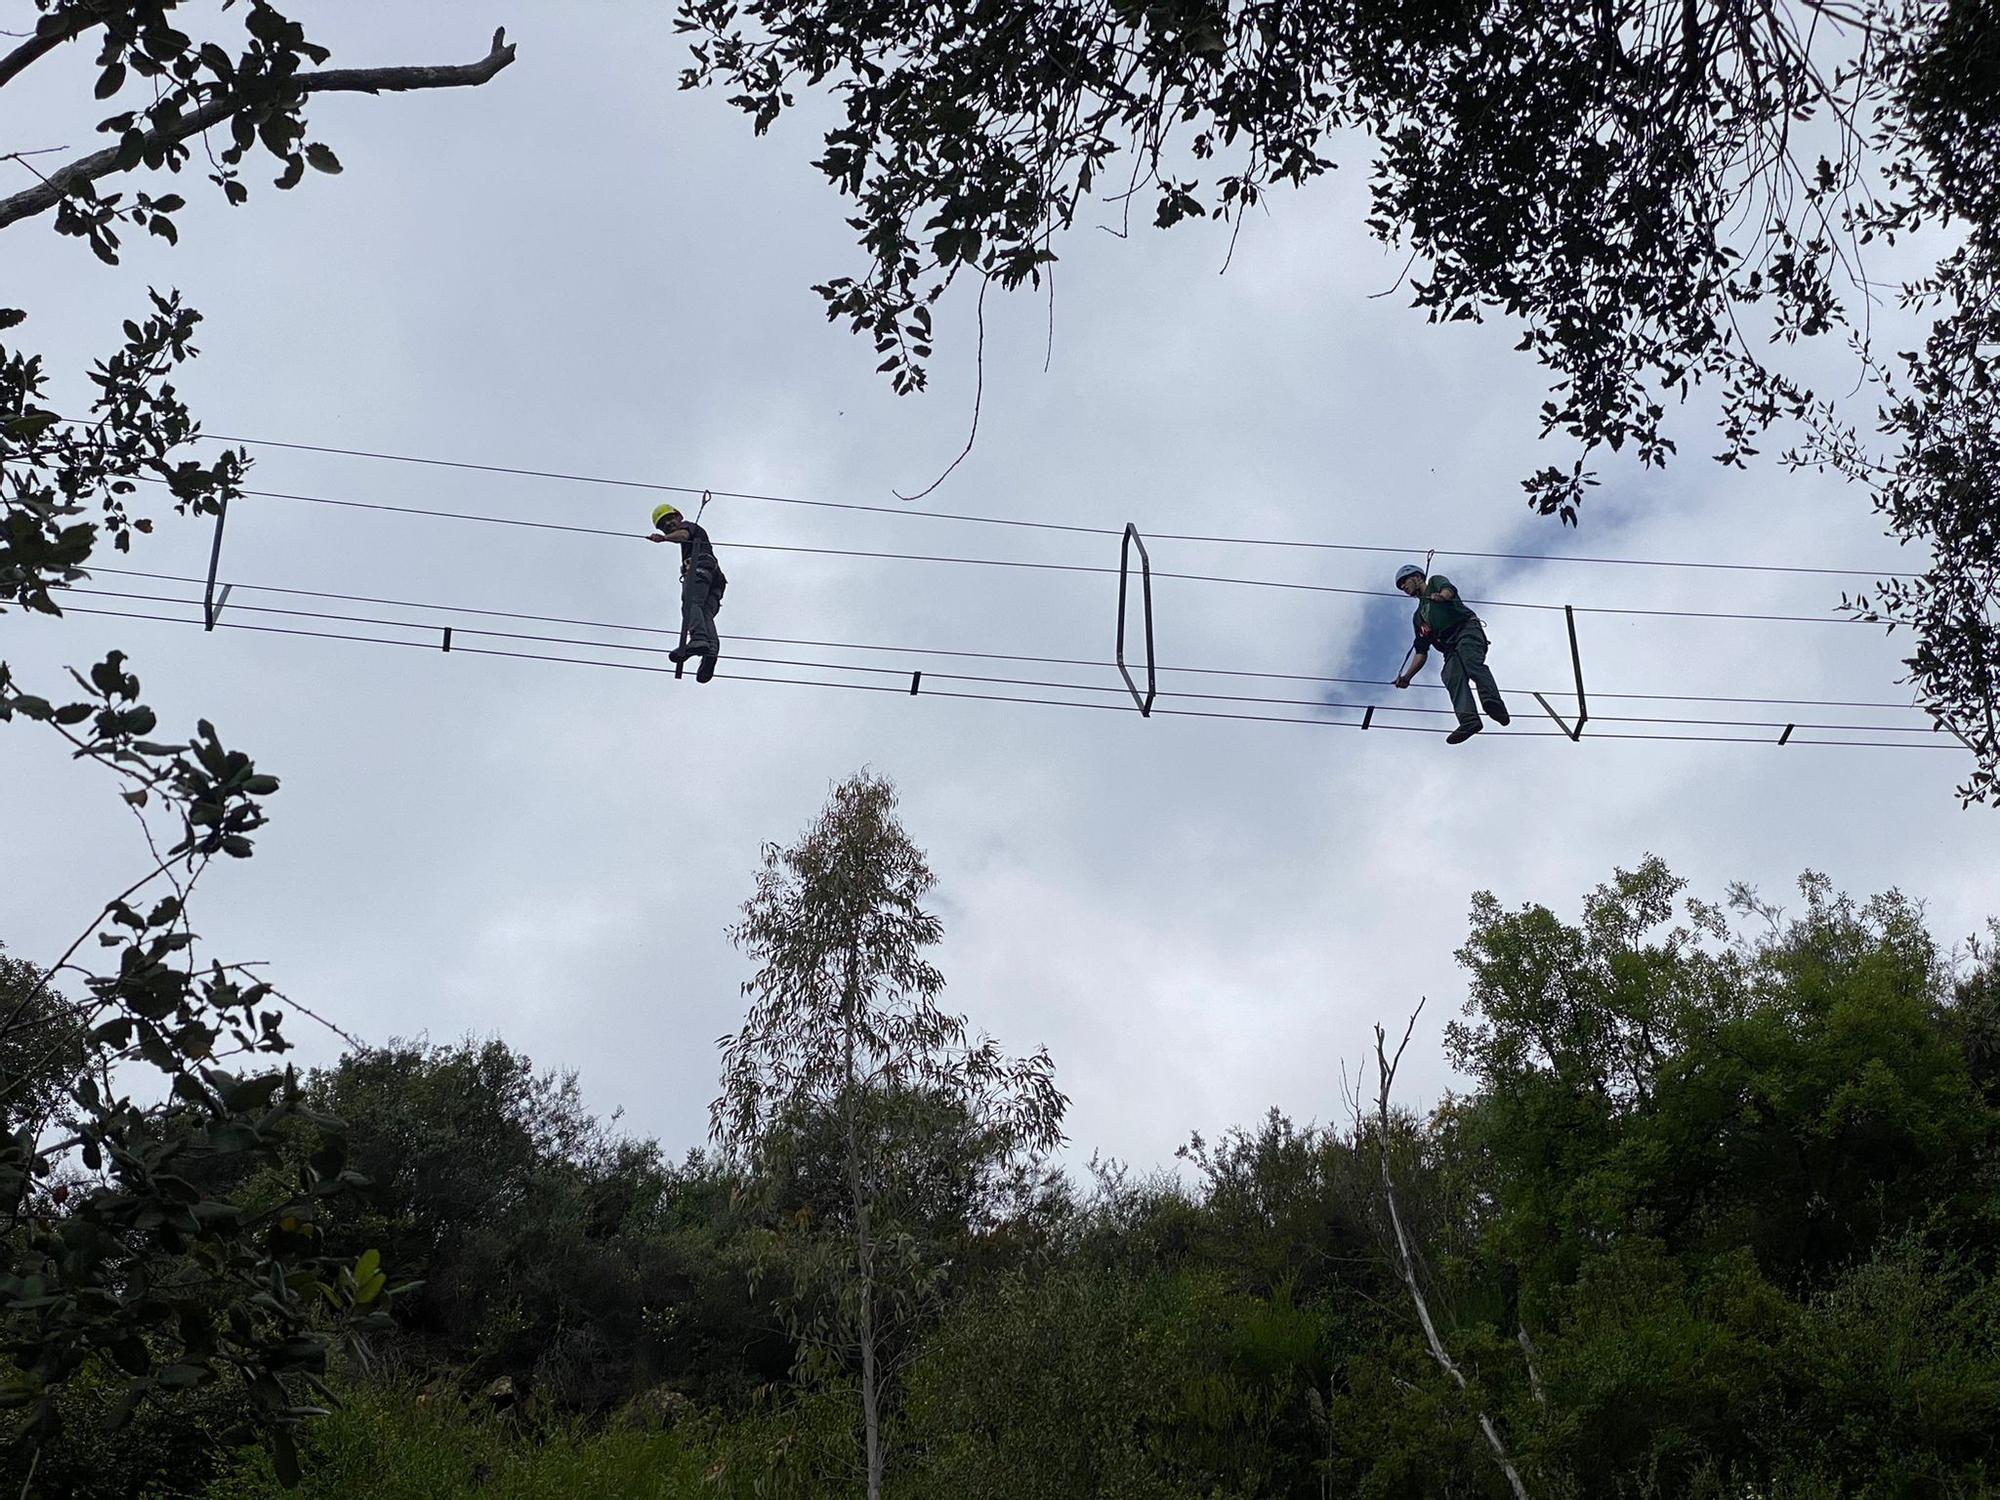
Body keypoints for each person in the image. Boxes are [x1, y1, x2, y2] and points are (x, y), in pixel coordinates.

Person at [1392, 563, 1510, 743]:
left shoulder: (1434, 583)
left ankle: (1493, 703)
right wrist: (1408, 677)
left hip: (1466, 630)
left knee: (1471, 661)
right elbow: (1421, 651)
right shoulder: (1419, 617)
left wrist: (1442, 597)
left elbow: (1448, 589)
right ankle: (1469, 721)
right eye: (1401, 587)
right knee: (1450, 675)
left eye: (1405, 582)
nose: (1404, 588)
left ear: (1417, 577)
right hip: (1449, 647)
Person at [649, 502, 727, 682]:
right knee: (705, 614)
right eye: (663, 525)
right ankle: (710, 651)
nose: (668, 525)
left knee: (691, 603)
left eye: (669, 519)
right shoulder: (691, 532)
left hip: (701, 569)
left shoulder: (688, 527)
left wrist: (663, 538)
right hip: (716, 580)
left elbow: (683, 535)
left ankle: (699, 639)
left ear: (679, 516)